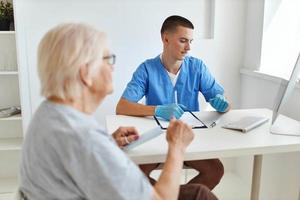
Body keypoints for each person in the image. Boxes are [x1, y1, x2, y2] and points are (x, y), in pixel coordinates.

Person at [19, 23, 218, 200]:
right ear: (85, 73)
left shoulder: (48, 113)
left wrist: (108, 144)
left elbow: (78, 158)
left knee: (203, 185)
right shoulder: (86, 139)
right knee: (201, 195)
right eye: (108, 59)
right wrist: (177, 147)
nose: (113, 67)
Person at [116, 15, 230, 190]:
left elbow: (221, 99)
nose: (188, 48)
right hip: (156, 141)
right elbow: (122, 107)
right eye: (183, 40)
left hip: (187, 139)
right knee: (134, 173)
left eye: (191, 41)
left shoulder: (197, 67)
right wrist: (158, 110)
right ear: (165, 39)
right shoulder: (147, 69)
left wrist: (223, 103)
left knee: (215, 170)